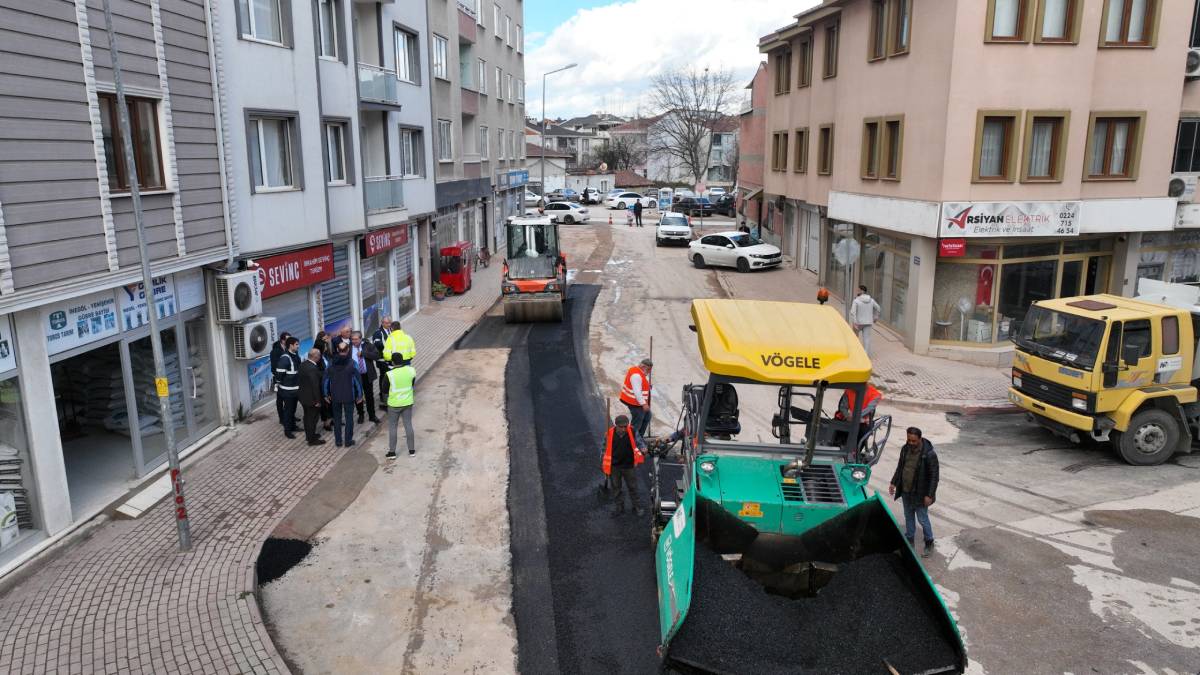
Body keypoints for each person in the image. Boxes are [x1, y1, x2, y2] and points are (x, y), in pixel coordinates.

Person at [888, 427, 939, 557]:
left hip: (921, 494)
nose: (910, 443)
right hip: (906, 490)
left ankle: (929, 541)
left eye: (913, 441)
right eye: (908, 440)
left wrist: (930, 495)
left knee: (922, 519)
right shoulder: (905, 449)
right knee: (908, 515)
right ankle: (909, 539)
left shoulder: (929, 454)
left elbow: (934, 476)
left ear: (920, 439)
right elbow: (900, 467)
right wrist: (894, 482)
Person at [602, 414, 646, 516]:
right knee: (616, 489)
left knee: (633, 487)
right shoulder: (609, 434)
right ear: (616, 425)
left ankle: (637, 506)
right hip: (614, 466)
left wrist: (643, 448)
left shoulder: (633, 431)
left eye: (625, 426)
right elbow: (603, 450)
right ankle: (619, 507)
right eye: (621, 427)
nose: (623, 429)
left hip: (628, 466)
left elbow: (640, 442)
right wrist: (603, 465)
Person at [323, 343, 363, 447]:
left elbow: (325, 381)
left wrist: (326, 395)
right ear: (348, 349)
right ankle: (348, 441)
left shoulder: (330, 364)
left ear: (337, 349)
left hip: (335, 396)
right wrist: (360, 395)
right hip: (349, 395)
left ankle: (338, 441)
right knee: (349, 418)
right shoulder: (353, 364)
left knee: (337, 419)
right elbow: (358, 382)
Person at [384, 353, 417, 458]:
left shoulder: (389, 374)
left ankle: (392, 452)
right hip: (407, 402)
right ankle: (412, 450)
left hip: (394, 404)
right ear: (402, 360)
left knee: (393, 427)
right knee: (408, 425)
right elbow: (412, 384)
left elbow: (384, 390)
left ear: (392, 362)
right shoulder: (411, 370)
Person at [349, 331, 379, 425]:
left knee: (369, 396)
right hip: (355, 376)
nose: (354, 341)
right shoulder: (348, 348)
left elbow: (377, 356)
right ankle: (361, 414)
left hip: (367, 375)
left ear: (360, 339)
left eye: (356, 339)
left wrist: (364, 353)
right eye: (352, 339)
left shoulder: (368, 345)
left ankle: (372, 415)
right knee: (358, 396)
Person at [619, 358, 653, 439]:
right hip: (634, 402)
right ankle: (632, 440)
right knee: (637, 422)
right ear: (643, 366)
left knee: (647, 416)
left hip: (636, 402)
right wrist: (644, 404)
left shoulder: (638, 372)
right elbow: (637, 391)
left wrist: (648, 387)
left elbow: (641, 385)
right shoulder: (636, 375)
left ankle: (639, 438)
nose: (648, 372)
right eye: (648, 370)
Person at [297, 348, 325, 446]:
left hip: (303, 397)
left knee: (307, 417)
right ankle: (312, 440)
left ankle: (309, 435)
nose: (320, 357)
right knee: (312, 419)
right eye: (319, 356)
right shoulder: (312, 368)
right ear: (315, 357)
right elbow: (315, 386)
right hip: (312, 399)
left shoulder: (303, 365)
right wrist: (317, 400)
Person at [275, 337, 301, 439]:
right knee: (288, 411)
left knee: (293, 410)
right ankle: (287, 431)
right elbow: (279, 375)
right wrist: (280, 384)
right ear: (291, 345)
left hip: (294, 390)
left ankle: (293, 426)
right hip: (288, 391)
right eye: (296, 344)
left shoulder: (295, 355)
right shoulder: (285, 358)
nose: (298, 346)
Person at [851, 285, 882, 357]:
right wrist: (875, 317)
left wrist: (855, 322)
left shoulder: (856, 300)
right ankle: (866, 355)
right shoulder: (871, 300)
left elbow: (853, 312)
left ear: (862, 291)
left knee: (855, 338)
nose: (857, 291)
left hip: (858, 323)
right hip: (868, 322)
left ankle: (855, 354)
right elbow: (878, 308)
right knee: (867, 339)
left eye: (858, 290)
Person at [270, 331, 293, 427]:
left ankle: (290, 416)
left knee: (289, 399)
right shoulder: (275, 351)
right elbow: (275, 366)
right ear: (282, 340)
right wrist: (279, 377)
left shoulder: (289, 348)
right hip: (280, 378)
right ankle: (282, 418)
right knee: (280, 399)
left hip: (288, 378)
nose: (290, 341)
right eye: (288, 339)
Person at [313, 331, 333, 431]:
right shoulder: (317, 358)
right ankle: (326, 422)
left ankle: (330, 420)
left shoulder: (326, 354)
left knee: (330, 403)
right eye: (324, 340)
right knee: (325, 404)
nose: (326, 343)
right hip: (322, 385)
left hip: (329, 383)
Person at [371, 319, 392, 408]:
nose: (388, 324)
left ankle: (388, 393)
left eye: (389, 323)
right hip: (382, 360)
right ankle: (383, 395)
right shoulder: (378, 333)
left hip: (390, 359)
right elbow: (378, 345)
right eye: (387, 323)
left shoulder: (391, 331)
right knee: (384, 377)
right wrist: (390, 345)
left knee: (389, 377)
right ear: (382, 323)